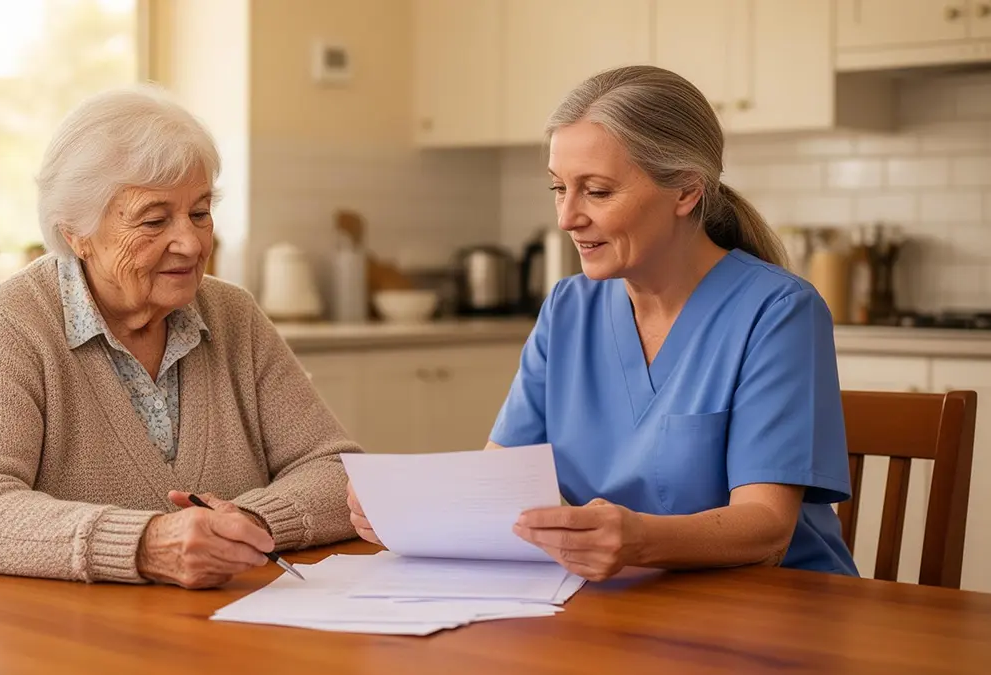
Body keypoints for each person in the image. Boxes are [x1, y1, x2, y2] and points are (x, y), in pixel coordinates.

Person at [348, 65, 858, 581]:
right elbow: (499, 483)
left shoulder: (777, 311)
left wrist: (639, 541)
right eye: (558, 188)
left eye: (596, 191)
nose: (567, 217)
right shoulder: (569, 308)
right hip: (623, 605)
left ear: (686, 191)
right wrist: (415, 510)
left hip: (775, 608)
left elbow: (767, 527)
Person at [0, 85, 359, 589]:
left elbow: (339, 471)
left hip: (204, 629)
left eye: (200, 212)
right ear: (76, 233)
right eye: (154, 219)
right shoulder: (4, 325)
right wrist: (146, 544)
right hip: (33, 636)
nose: (191, 243)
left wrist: (244, 525)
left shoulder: (234, 315)